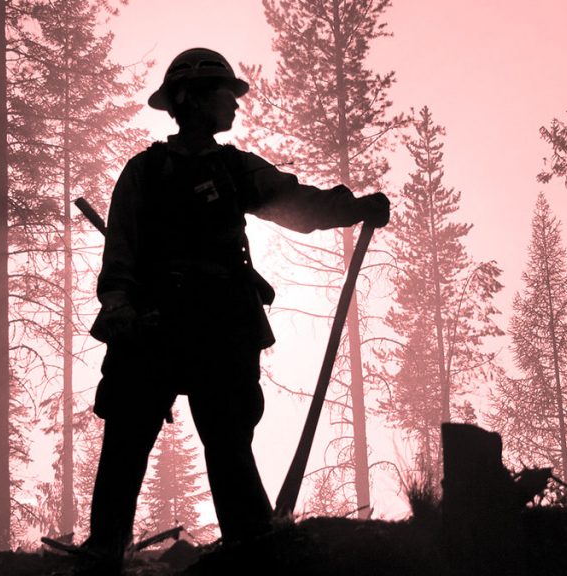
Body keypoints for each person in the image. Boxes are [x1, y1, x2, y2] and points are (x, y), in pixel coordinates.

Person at [82, 47, 389, 574]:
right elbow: (121, 256)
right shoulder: (144, 172)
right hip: (151, 328)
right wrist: (120, 311)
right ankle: (104, 551)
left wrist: (352, 208)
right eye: (226, 94)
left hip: (221, 329)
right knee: (128, 433)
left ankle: (251, 548)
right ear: (194, 100)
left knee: (228, 440)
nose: (235, 105)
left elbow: (295, 205)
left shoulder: (234, 171)